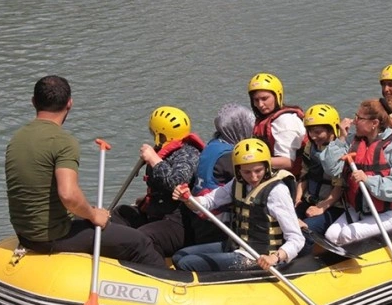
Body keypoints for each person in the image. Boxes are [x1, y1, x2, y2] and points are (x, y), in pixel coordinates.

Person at [5, 75, 166, 267]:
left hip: (26, 233)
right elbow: (68, 194)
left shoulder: (17, 138)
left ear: (33, 102)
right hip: (53, 235)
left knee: (114, 219)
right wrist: (92, 214)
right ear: (69, 103)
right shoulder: (62, 141)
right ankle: (173, 287)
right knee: (140, 243)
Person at [171, 138, 305, 272]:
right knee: (179, 256)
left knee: (187, 263)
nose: (253, 177)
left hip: (259, 256)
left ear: (267, 166)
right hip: (236, 246)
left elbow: (296, 239)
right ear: (238, 170)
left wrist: (275, 257)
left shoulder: (277, 191)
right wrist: (188, 199)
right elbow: (208, 202)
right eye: (247, 172)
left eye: (258, 170)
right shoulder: (237, 183)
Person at [110, 106, 204, 257]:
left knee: (141, 237)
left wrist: (154, 159)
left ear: (160, 134)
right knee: (119, 214)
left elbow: (177, 182)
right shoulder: (167, 150)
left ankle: (155, 269)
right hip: (157, 213)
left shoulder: (188, 154)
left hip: (179, 222)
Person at [320, 99, 392, 246]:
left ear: (374, 123)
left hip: (389, 214)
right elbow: (332, 169)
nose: (355, 122)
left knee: (346, 234)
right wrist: (341, 138)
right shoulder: (353, 142)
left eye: (359, 118)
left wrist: (368, 180)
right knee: (331, 236)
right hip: (360, 210)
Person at [183, 103, 255, 246]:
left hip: (199, 218)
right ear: (240, 127)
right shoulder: (230, 156)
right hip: (218, 225)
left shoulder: (213, 144)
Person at [295, 103, 347, 254]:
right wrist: (297, 199)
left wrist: (321, 208)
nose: (313, 136)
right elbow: (304, 174)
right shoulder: (310, 147)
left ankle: (301, 264)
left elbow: (339, 185)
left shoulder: (340, 150)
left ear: (332, 129)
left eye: (318, 132)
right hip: (310, 200)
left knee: (306, 229)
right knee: (283, 221)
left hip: (333, 207)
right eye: (310, 131)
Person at [247, 73, 307, 177]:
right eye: (256, 100)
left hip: (294, 180)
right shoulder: (266, 119)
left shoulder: (285, 122)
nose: (260, 104)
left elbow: (288, 162)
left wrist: (251, 162)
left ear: (277, 96)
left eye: (265, 98)